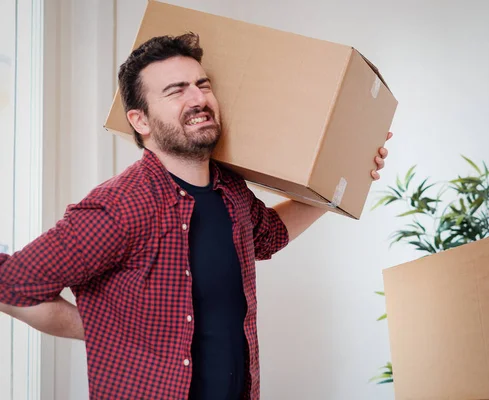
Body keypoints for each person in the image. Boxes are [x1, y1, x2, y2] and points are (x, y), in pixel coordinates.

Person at [0, 32, 392, 400]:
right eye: (176, 91)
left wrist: (345, 172)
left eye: (202, 85)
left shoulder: (231, 189)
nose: (198, 98)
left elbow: (269, 235)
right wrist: (108, 329)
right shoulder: (120, 206)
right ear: (140, 120)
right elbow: (10, 286)